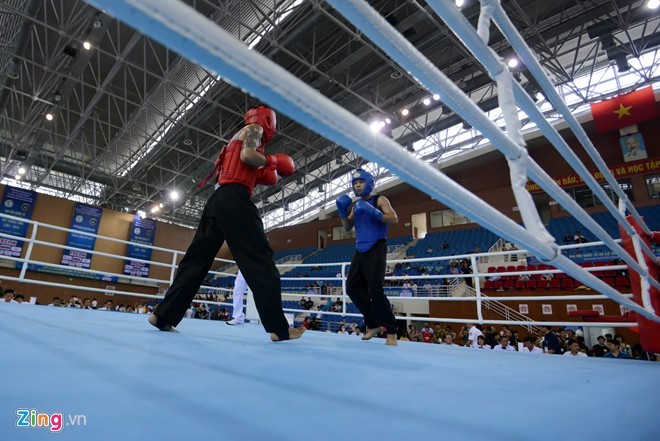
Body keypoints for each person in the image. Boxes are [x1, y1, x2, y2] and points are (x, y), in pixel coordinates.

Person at [149, 105, 304, 342]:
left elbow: (240, 167)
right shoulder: (254, 130)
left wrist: (264, 171)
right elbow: (247, 156)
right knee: (260, 258)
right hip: (234, 198)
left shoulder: (233, 139)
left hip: (217, 200)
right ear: (268, 121)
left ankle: (163, 316)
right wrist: (272, 160)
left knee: (196, 261)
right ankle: (279, 329)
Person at [336, 169, 399, 346]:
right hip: (360, 249)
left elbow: (394, 218)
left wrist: (374, 212)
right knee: (352, 288)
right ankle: (372, 324)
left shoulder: (380, 199)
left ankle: (392, 331)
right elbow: (348, 227)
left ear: (369, 183)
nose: (357, 185)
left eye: (361, 182)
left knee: (375, 290)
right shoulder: (356, 205)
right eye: (355, 183)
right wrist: (342, 211)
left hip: (377, 246)